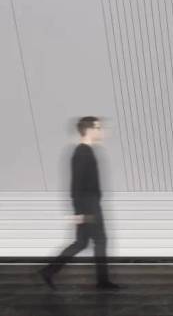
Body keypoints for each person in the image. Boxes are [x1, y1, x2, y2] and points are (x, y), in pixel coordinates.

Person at [40, 117, 119, 290]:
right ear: (89, 130)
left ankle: (48, 271)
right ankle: (102, 282)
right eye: (98, 127)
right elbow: (77, 185)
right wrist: (81, 213)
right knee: (100, 240)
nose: (100, 131)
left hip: (87, 205)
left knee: (81, 242)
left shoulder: (85, 151)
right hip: (89, 206)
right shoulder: (82, 153)